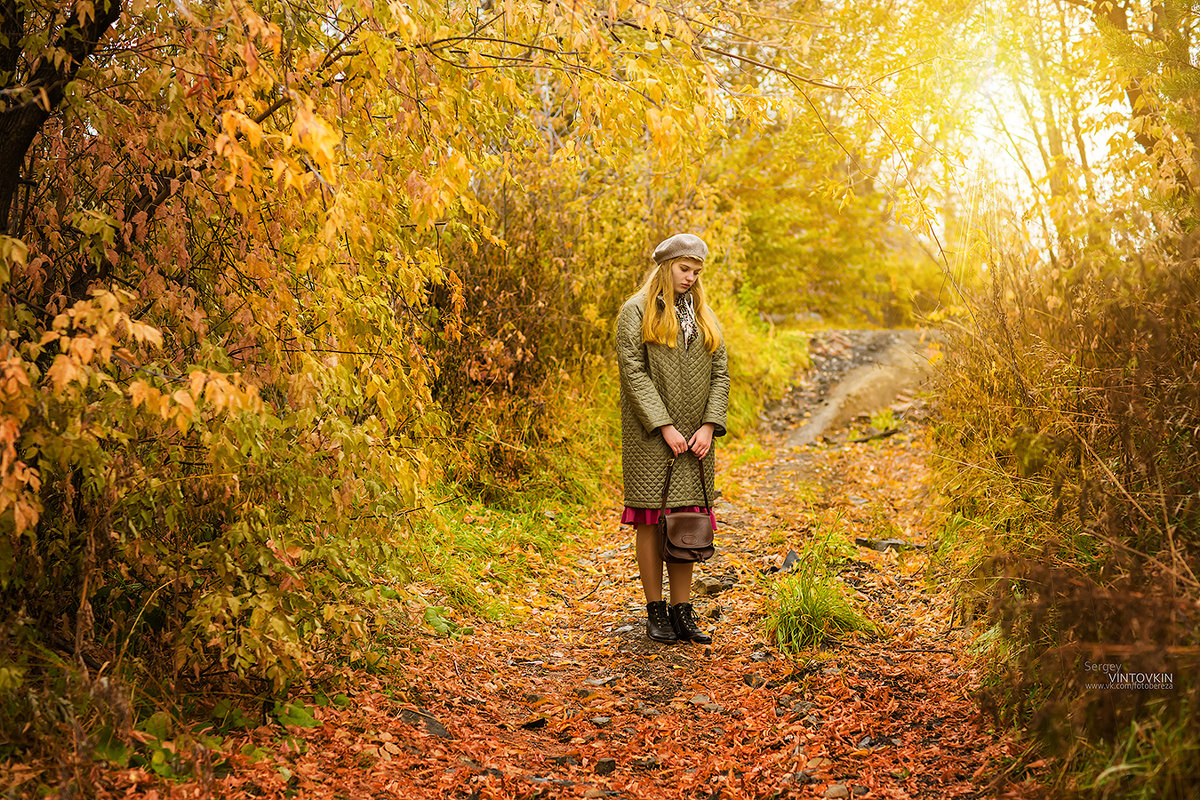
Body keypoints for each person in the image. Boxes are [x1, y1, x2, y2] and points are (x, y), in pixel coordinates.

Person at [615, 233, 730, 644]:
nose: (690, 278)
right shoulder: (635, 312)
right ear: (665, 267)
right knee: (650, 520)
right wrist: (664, 425)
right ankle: (655, 611)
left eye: (696, 272)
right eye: (684, 269)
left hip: (696, 439)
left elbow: (720, 375)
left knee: (689, 523)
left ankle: (683, 611)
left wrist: (708, 426)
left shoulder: (702, 316)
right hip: (651, 438)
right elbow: (633, 374)